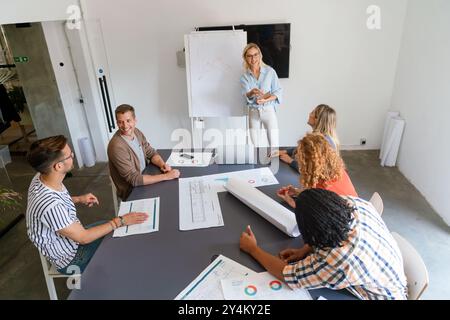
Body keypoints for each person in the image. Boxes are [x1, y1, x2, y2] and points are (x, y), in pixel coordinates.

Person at [240, 188, 408, 300]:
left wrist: (253, 249)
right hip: (386, 276)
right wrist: (304, 250)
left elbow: (288, 275)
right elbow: (327, 226)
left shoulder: (340, 259)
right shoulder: (352, 204)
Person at [26, 135, 148, 274]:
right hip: (72, 258)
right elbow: (83, 238)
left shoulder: (41, 177)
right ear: (58, 166)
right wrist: (121, 220)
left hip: (74, 237)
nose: (73, 155)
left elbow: (57, 202)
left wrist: (78, 199)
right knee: (123, 247)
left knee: (119, 232)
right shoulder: (49, 205)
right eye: (70, 155)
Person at [108, 104, 180, 200]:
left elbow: (151, 152)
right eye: (120, 122)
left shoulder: (136, 132)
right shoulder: (116, 146)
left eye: (128, 121)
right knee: (169, 197)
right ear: (117, 123)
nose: (125, 126)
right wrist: (166, 176)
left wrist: (162, 164)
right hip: (132, 190)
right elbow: (134, 180)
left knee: (172, 192)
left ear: (135, 121)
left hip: (145, 177)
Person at [277, 133, 357, 208]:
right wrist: (297, 192)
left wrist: (292, 202)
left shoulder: (321, 192)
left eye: (301, 160)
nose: (297, 158)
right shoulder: (338, 170)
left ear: (310, 164)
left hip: (342, 217)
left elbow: (316, 213)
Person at [240, 43, 282, 151]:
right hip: (254, 111)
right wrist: (251, 92)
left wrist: (266, 99)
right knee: (254, 145)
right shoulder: (244, 77)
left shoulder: (270, 72)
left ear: (260, 55)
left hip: (268, 110)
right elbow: (245, 96)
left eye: (255, 55)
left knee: (274, 143)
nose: (253, 59)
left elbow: (278, 92)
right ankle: (256, 167)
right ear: (245, 57)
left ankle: (273, 164)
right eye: (249, 56)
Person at [279, 104, 339, 172]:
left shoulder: (321, 142)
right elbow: (304, 149)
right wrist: (285, 151)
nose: (310, 114)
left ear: (317, 119)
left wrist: (290, 161)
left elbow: (311, 170)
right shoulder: (322, 137)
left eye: (312, 112)